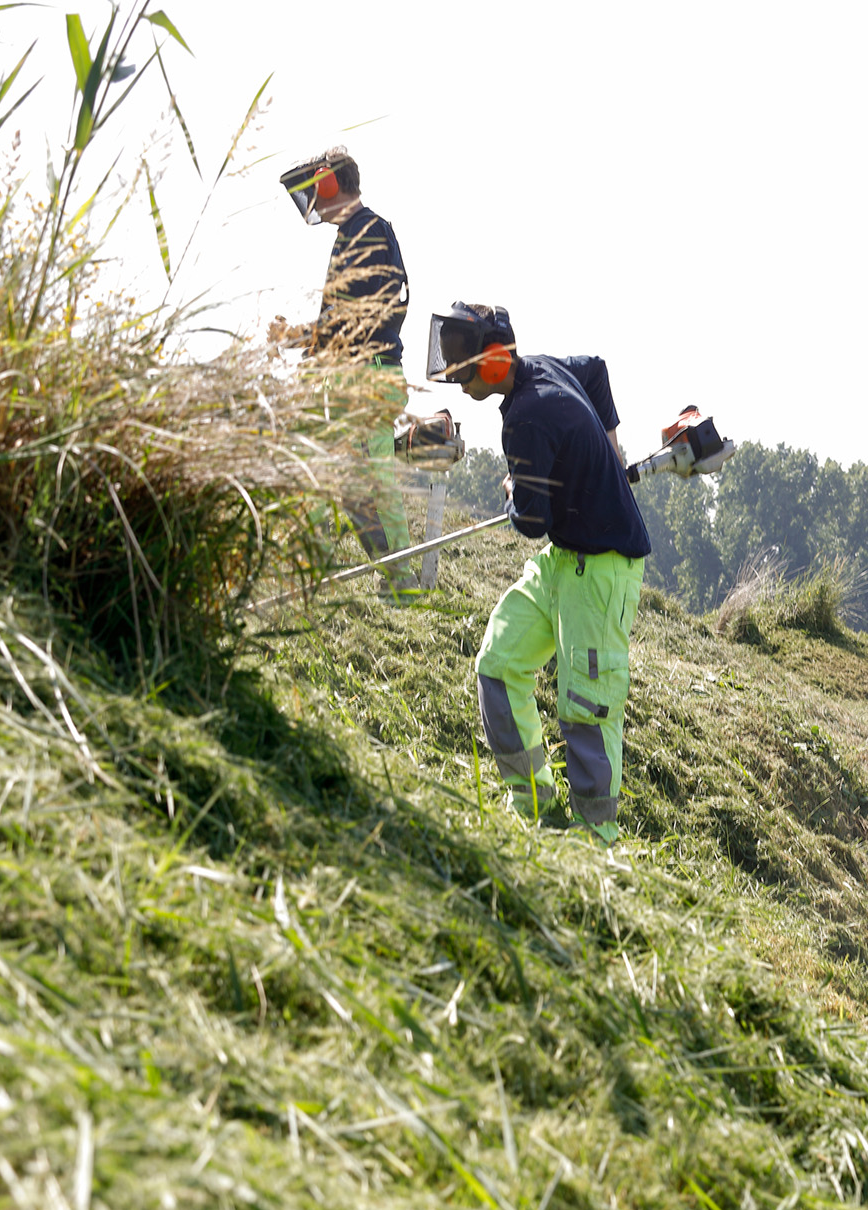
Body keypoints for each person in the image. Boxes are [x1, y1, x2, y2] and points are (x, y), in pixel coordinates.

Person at [426, 302, 650, 841]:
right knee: (499, 664)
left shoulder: (525, 419)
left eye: (463, 363)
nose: (456, 376)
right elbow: (595, 367)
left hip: (603, 568)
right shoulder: (543, 367)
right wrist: (612, 447)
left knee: (587, 707)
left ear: (497, 357)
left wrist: (513, 491)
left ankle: (595, 842)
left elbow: (529, 521)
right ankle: (534, 806)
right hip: (563, 560)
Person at [273, 147, 414, 589]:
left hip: (367, 378)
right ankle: (307, 570)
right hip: (362, 374)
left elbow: (346, 323)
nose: (313, 202)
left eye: (315, 191)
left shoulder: (365, 234)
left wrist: (297, 336)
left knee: (369, 484)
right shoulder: (361, 232)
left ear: (329, 183)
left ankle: (402, 580)